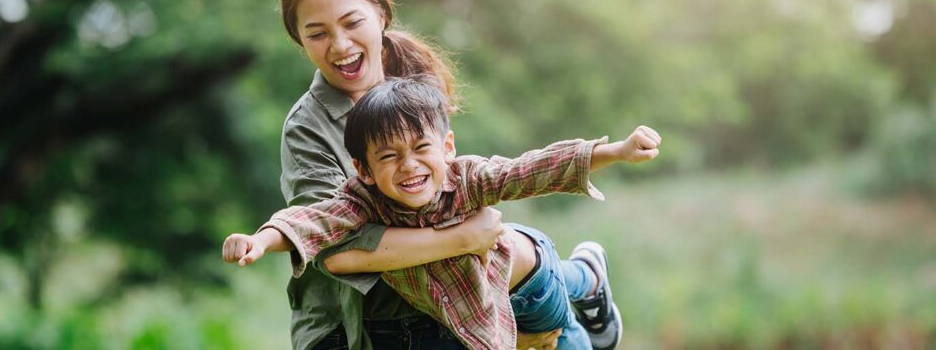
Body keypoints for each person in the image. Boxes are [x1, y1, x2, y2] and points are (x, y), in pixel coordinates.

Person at [261, 0, 622, 349]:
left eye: (351, 23)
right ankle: (583, 286)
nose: (340, 45)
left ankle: (581, 288)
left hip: (447, 285)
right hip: (357, 321)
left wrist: (599, 155)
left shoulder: (411, 80)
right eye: (318, 33)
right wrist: (465, 239)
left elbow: (473, 184)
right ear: (300, 40)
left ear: (380, 14)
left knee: (523, 252)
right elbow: (334, 246)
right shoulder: (306, 129)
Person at [223, 78, 661, 349]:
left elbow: (531, 169)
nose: (409, 166)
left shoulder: (467, 177)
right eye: (389, 156)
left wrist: (615, 151)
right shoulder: (361, 202)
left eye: (421, 149)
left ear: (447, 147)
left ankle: (587, 278)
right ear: (364, 169)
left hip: (527, 288)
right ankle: (586, 276)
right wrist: (260, 240)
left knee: (563, 335)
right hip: (475, 313)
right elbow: (312, 221)